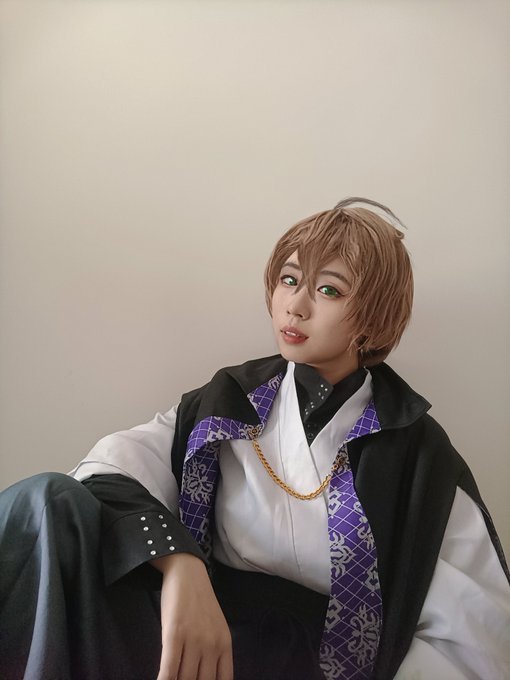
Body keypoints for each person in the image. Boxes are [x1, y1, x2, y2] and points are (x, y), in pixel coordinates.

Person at [1, 198, 509, 680]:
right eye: (289, 280)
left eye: (328, 290)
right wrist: (180, 564)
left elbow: (471, 633)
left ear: (373, 316)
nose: (295, 306)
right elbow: (111, 471)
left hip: (313, 664)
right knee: (46, 501)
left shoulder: (418, 453)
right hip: (195, 638)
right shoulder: (228, 399)